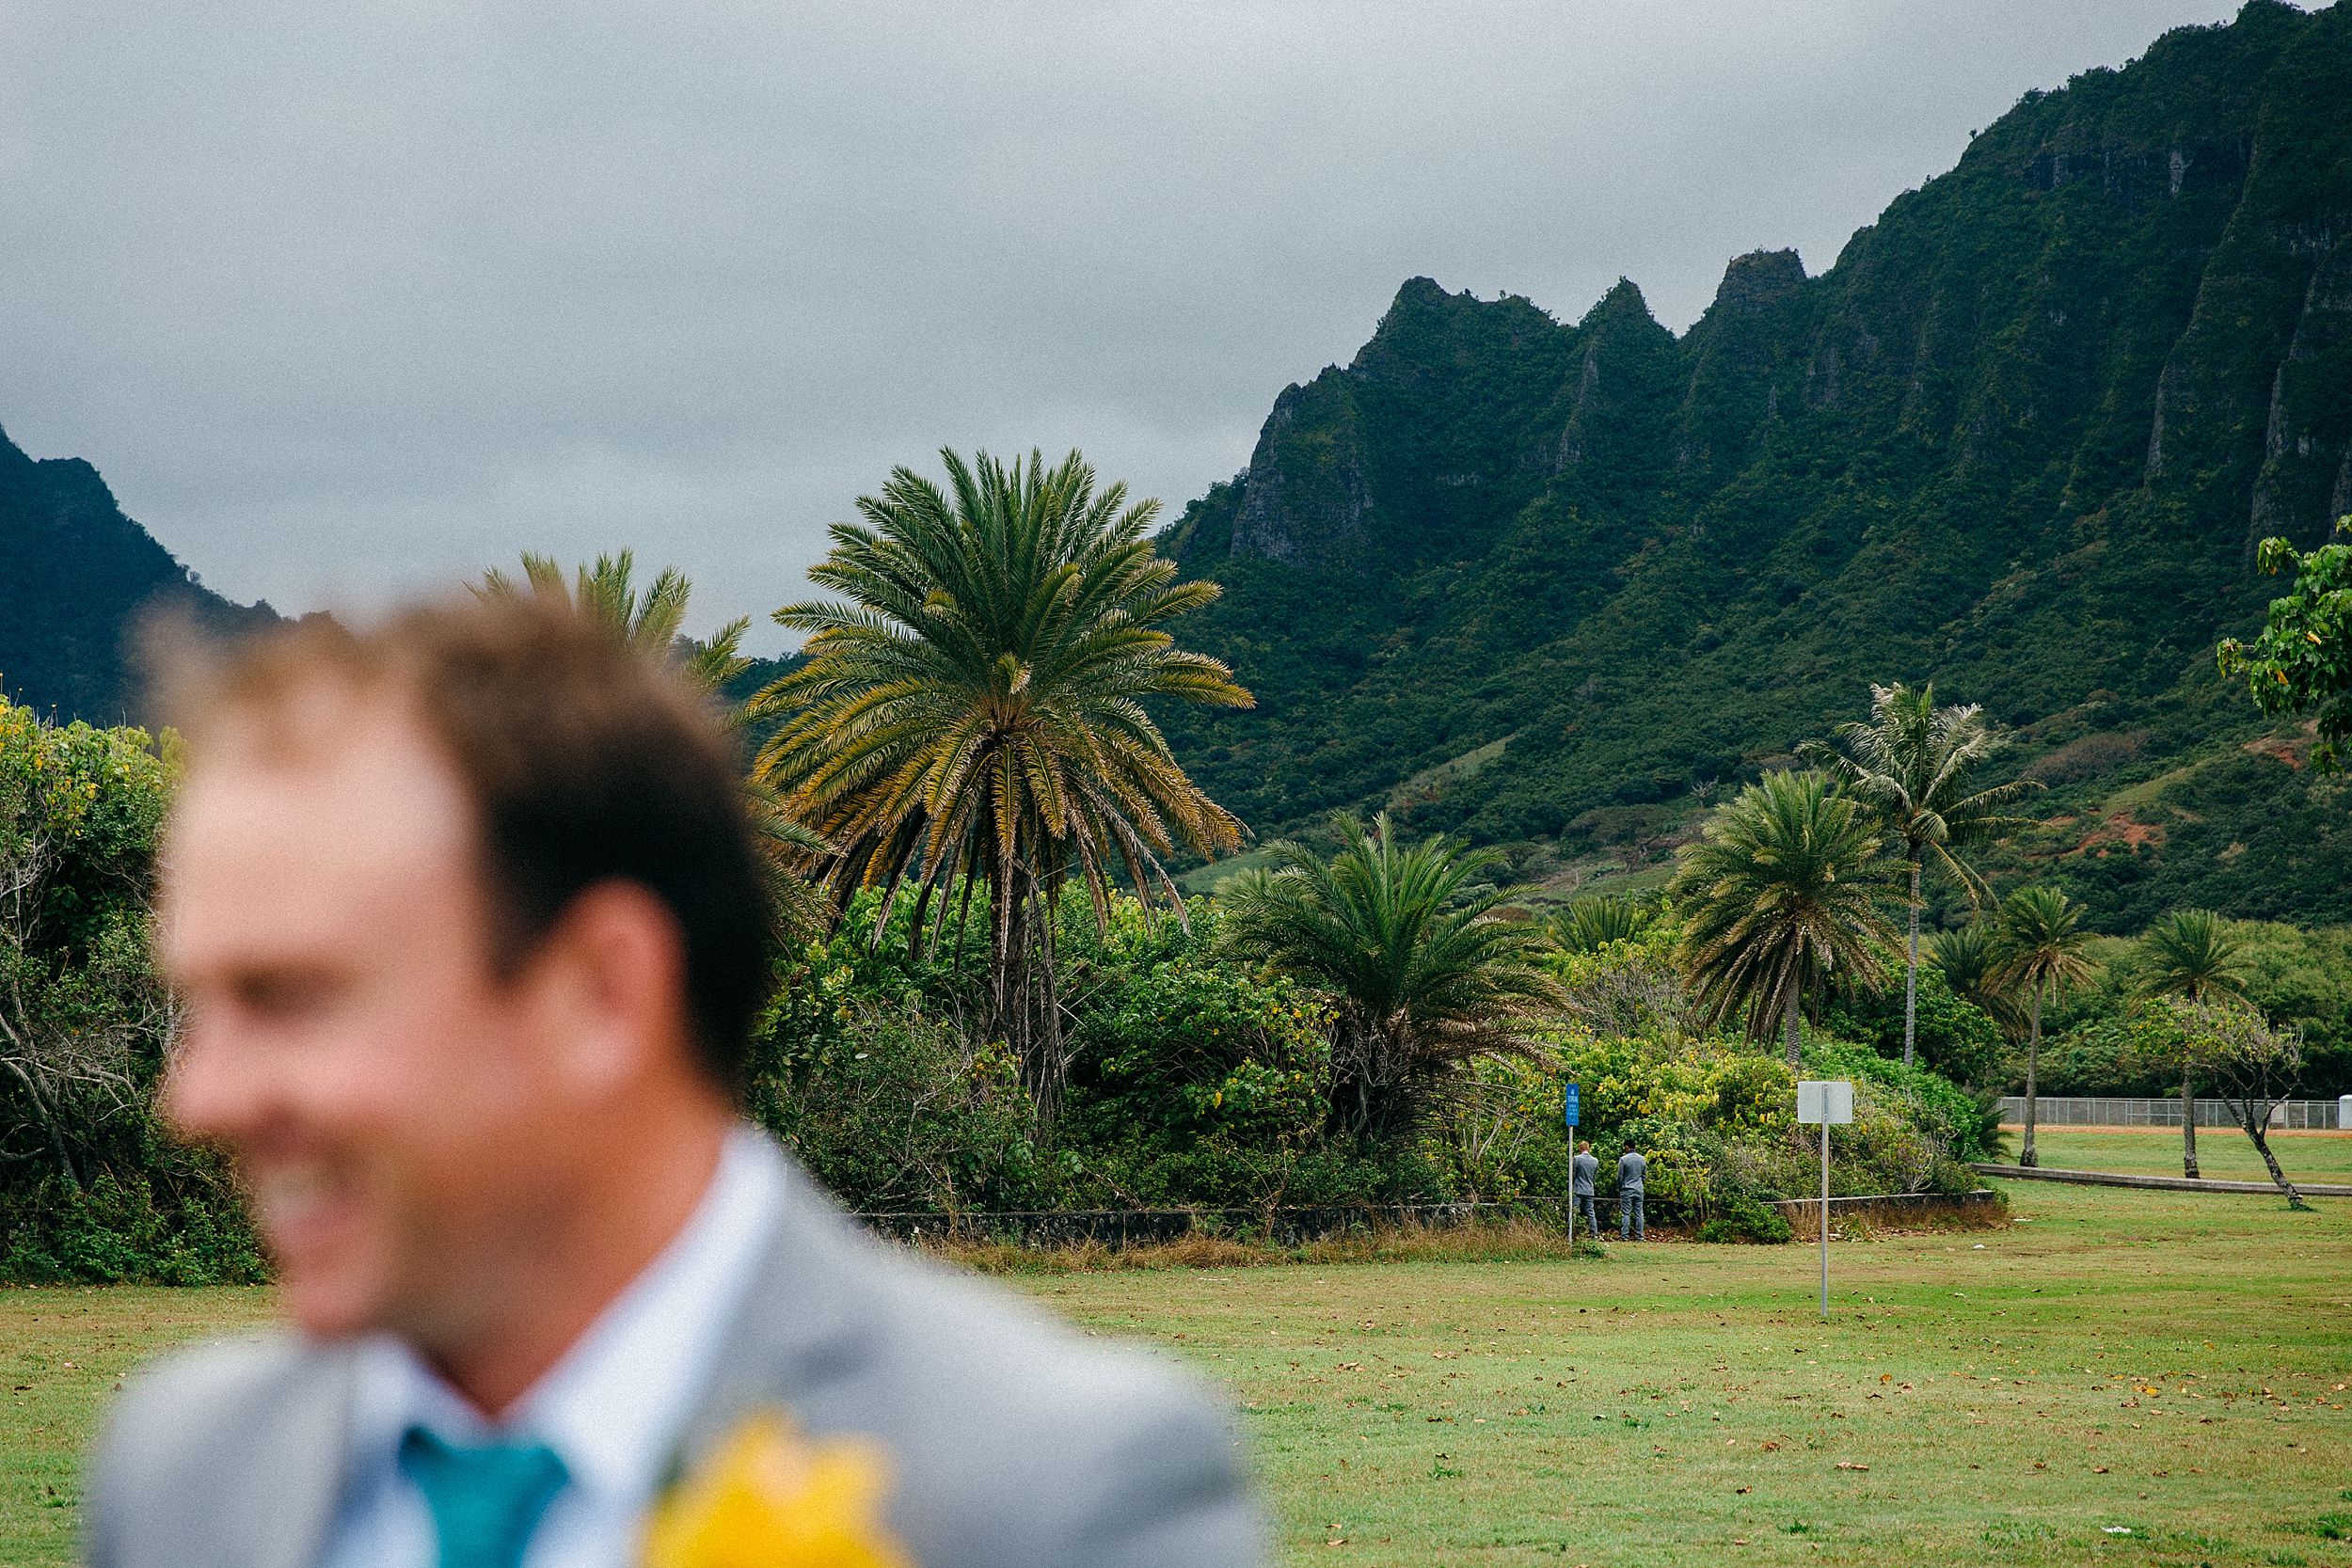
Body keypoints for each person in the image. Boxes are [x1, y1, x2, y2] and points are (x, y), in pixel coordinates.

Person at [86, 598, 1260, 1568]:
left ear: (602, 992)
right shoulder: (181, 1474)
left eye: (290, 996)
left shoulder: (1054, 1493)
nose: (198, 1100)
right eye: (202, 1007)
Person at [1616, 1146, 1646, 1241]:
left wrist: (1620, 1187)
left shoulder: (1623, 1159)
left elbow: (1620, 1176)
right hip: (1639, 1188)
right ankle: (1640, 1236)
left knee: (1626, 1213)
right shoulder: (1642, 1159)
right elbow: (1644, 1175)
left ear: (1627, 1147)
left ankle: (1625, 1236)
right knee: (1639, 1213)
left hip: (1627, 1188)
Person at [1570, 1140, 1598, 1241]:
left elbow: (1573, 1174)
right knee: (1591, 1212)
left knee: (1574, 1211)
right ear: (1589, 1148)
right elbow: (1594, 1175)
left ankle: (1574, 1232)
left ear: (1580, 1149)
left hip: (1578, 1189)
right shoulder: (1595, 1161)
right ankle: (1594, 1233)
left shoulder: (1577, 1159)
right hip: (1589, 1189)